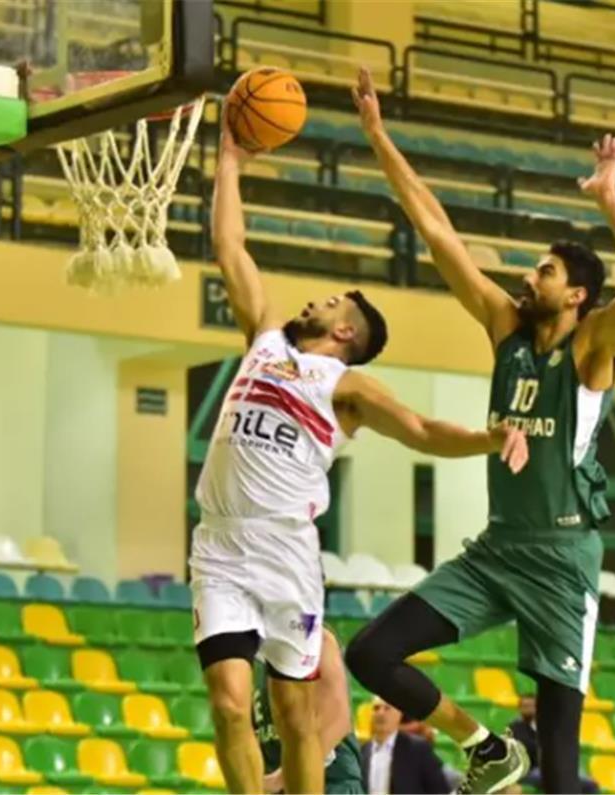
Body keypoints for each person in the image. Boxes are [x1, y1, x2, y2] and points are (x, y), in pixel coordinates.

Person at [344, 67, 615, 795]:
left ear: (576, 294)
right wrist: (377, 136)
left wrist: (610, 201)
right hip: (497, 549)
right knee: (371, 653)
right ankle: (485, 745)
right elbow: (436, 230)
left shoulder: (590, 348)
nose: (530, 276)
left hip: (561, 559)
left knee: (560, 769)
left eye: (545, 271)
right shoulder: (506, 329)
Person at [193, 124, 529, 794]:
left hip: (285, 550)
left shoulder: (346, 387)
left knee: (294, 712)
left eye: (330, 303)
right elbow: (230, 247)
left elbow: (422, 430)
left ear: (345, 330)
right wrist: (228, 160)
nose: (312, 301)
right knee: (229, 705)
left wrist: (487, 438)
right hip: (220, 545)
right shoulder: (263, 341)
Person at [253, 628, 364, 794]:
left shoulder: (316, 638)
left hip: (331, 781)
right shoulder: (252, 656)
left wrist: (282, 777)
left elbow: (340, 720)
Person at [508, 695, 600, 794]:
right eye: (525, 706)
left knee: (590, 784)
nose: (529, 709)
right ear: (520, 709)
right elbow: (528, 747)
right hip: (530, 770)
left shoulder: (547, 726)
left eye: (531, 706)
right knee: (560, 780)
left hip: (554, 767)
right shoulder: (515, 728)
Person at [360, 697, 450, 795]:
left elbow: (439, 790)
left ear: (399, 714)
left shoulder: (418, 749)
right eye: (376, 708)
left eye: (387, 708)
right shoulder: (362, 752)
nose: (380, 713)